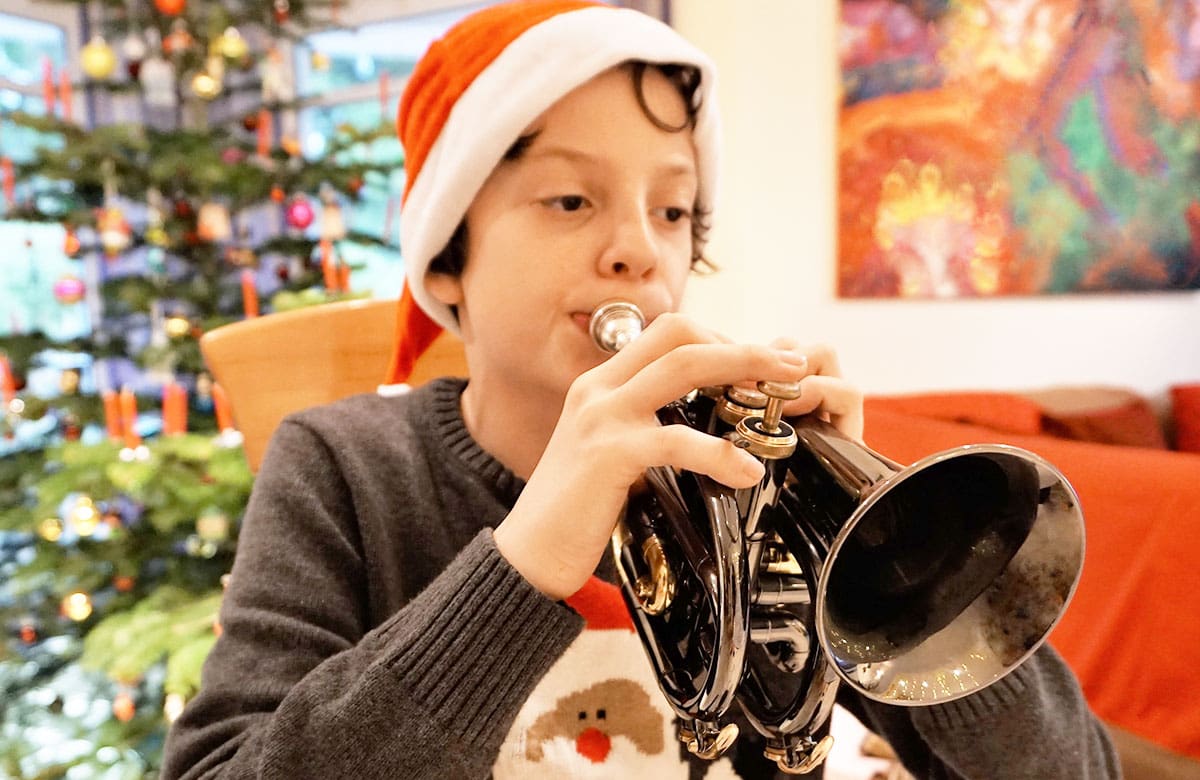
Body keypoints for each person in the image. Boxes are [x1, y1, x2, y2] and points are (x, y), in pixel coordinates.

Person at [162, 1, 1119, 777]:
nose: (638, 251)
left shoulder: (736, 473)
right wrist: (524, 564)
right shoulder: (343, 467)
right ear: (446, 260)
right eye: (571, 199)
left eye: (671, 210)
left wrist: (894, 559)